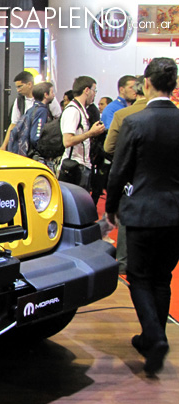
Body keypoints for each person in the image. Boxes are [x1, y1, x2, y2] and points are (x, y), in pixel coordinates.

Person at [105, 57, 179, 375]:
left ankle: (155, 337)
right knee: (163, 279)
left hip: (142, 212)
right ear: (173, 85)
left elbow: (119, 171)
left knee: (138, 277)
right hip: (175, 213)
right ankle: (151, 341)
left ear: (145, 84)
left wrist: (110, 208)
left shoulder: (135, 121)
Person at [103, 76, 147, 280]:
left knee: (127, 220)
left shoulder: (124, 115)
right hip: (166, 189)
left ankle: (123, 263)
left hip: (131, 180)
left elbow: (109, 147)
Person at [60, 76, 106, 191]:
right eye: (94, 90)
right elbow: (67, 141)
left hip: (81, 166)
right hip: (74, 168)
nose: (95, 94)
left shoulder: (81, 110)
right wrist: (90, 133)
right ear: (86, 90)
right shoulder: (73, 111)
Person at [0, 71, 61, 149]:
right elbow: (14, 124)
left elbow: (58, 119)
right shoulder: (19, 101)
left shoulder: (48, 98)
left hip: (44, 145)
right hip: (25, 146)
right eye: (17, 87)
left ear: (29, 84)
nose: (18, 90)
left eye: (20, 86)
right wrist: (4, 145)